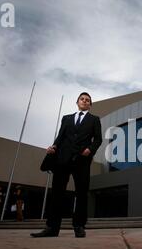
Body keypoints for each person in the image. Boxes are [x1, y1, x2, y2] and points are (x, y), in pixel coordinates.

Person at [31, 92, 102, 238]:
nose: (84, 101)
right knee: (57, 193)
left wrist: (90, 149)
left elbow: (98, 139)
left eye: (87, 100)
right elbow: (60, 136)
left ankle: (79, 226)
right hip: (62, 159)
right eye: (82, 99)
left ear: (90, 104)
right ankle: (52, 228)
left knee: (81, 193)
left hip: (82, 160)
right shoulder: (66, 118)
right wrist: (54, 147)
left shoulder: (94, 119)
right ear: (77, 102)